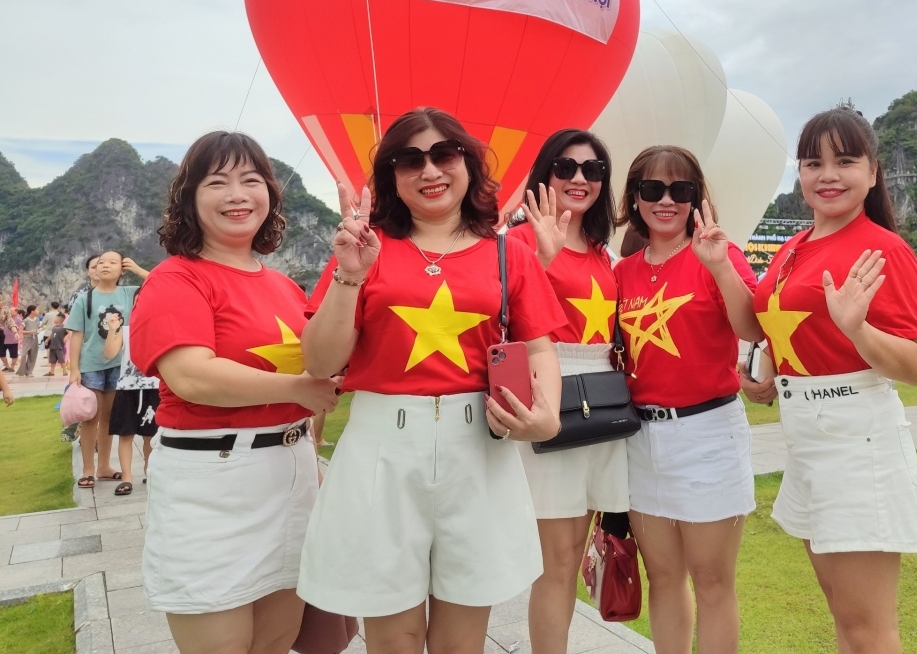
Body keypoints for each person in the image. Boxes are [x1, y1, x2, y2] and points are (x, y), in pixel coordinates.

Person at [298, 107, 565, 654]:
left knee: (461, 636)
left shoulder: (508, 252)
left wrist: (547, 414)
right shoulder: (363, 247)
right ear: (391, 176)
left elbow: (540, 346)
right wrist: (350, 274)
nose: (430, 171)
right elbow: (321, 362)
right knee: (393, 637)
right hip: (381, 450)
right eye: (409, 159)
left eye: (445, 154)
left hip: (478, 447)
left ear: (468, 162)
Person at [129, 131, 338, 653]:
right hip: (211, 485)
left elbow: (324, 365)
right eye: (217, 182)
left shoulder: (284, 286)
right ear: (190, 198)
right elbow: (192, 376)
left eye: (251, 180)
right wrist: (300, 388)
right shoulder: (176, 279)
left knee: (276, 640)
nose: (237, 194)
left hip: (289, 477)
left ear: (270, 194)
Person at [742, 105, 917, 654]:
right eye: (812, 162)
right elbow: (774, 324)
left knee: (868, 628)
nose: (828, 175)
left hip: (856, 437)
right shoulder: (795, 247)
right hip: (805, 431)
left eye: (845, 161)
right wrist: (769, 375)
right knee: (844, 616)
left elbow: (915, 366)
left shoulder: (883, 249)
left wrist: (859, 329)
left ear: (872, 172)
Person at [614, 145, 758, 654]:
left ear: (697, 197)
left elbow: (752, 327)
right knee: (664, 575)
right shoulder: (622, 272)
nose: (666, 200)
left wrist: (719, 266)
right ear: (635, 198)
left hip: (708, 433)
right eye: (653, 189)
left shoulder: (720, 253)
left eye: (681, 190)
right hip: (641, 437)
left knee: (713, 581)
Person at [506, 129, 626, 654]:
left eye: (593, 170)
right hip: (553, 394)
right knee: (555, 562)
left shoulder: (605, 252)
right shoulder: (517, 242)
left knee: (576, 550)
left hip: (604, 402)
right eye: (566, 167)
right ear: (543, 175)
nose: (579, 179)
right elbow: (500, 326)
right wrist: (544, 258)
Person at [65, 252, 148, 488]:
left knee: (109, 418)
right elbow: (77, 334)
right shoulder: (85, 298)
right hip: (91, 366)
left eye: (113, 262)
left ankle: (103, 467)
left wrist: (137, 268)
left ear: (122, 270)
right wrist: (74, 369)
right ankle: (88, 469)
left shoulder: (129, 293)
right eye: (101, 262)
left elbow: (159, 283)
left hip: (119, 366)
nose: (105, 266)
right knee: (90, 418)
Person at [107, 313, 160, 496]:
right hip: (127, 388)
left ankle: (149, 469)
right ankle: (127, 477)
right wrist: (112, 331)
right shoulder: (126, 331)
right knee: (125, 434)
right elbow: (109, 354)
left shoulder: (161, 329)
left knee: (151, 435)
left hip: (154, 387)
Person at [17, 305, 41, 377]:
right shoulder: (26, 320)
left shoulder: (37, 320)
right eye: (37, 310)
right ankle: (21, 371)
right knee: (24, 355)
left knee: (33, 356)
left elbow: (38, 328)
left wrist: (37, 331)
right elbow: (20, 330)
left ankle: (29, 371)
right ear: (32, 311)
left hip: (34, 338)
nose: (38, 311)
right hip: (27, 339)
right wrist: (29, 332)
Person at [1, 307, 20, 372]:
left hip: (8, 337)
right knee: (1, 353)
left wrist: (15, 332)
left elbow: (11, 323)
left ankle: (11, 367)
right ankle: (7, 366)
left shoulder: (5, 310)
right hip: (4, 337)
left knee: (13, 353)